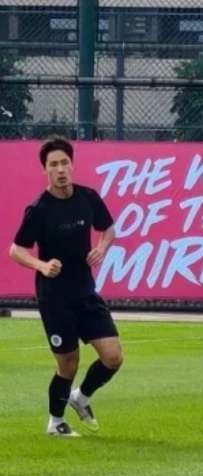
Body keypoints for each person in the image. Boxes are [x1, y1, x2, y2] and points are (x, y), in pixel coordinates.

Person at [9, 136, 123, 437]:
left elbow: (108, 228)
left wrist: (102, 248)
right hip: (54, 298)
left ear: (72, 165)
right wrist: (41, 265)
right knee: (68, 365)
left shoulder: (88, 197)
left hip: (85, 292)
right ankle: (56, 422)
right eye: (53, 165)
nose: (60, 169)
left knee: (113, 357)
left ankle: (80, 398)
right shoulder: (39, 209)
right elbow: (16, 250)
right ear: (45, 170)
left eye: (64, 163)